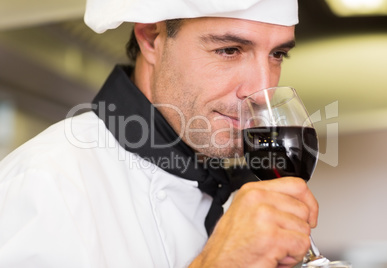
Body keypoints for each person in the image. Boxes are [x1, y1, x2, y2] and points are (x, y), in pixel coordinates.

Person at [0, 0, 318, 267]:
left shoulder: (231, 178)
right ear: (151, 38)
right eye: (229, 49)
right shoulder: (47, 183)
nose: (262, 90)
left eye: (277, 54)